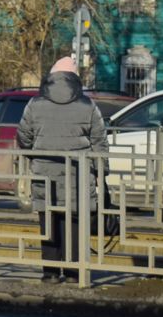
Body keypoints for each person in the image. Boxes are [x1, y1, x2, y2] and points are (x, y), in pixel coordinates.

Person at [16, 55, 107, 282]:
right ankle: (75, 273)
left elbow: (23, 137)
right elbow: (100, 141)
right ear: (75, 78)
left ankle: (51, 272)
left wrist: (35, 155)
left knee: (49, 222)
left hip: (45, 174)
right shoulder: (88, 106)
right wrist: (101, 172)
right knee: (76, 222)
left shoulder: (35, 105)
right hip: (79, 175)